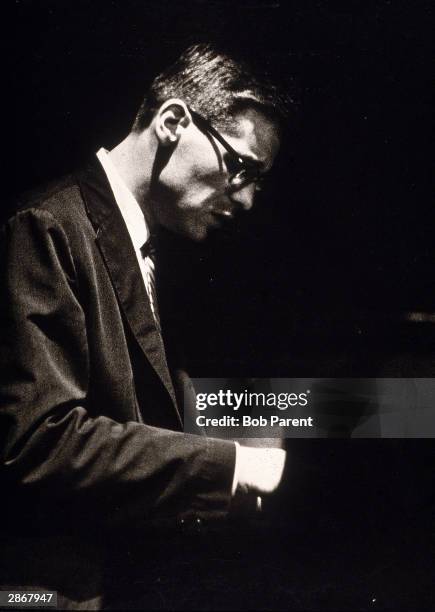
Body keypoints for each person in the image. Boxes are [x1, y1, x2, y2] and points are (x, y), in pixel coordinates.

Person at [0, 43, 289, 608]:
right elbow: (35, 440)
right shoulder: (44, 227)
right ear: (174, 121)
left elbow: (150, 407)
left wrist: (302, 414)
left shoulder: (151, 246)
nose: (249, 200)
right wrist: (233, 467)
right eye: (240, 168)